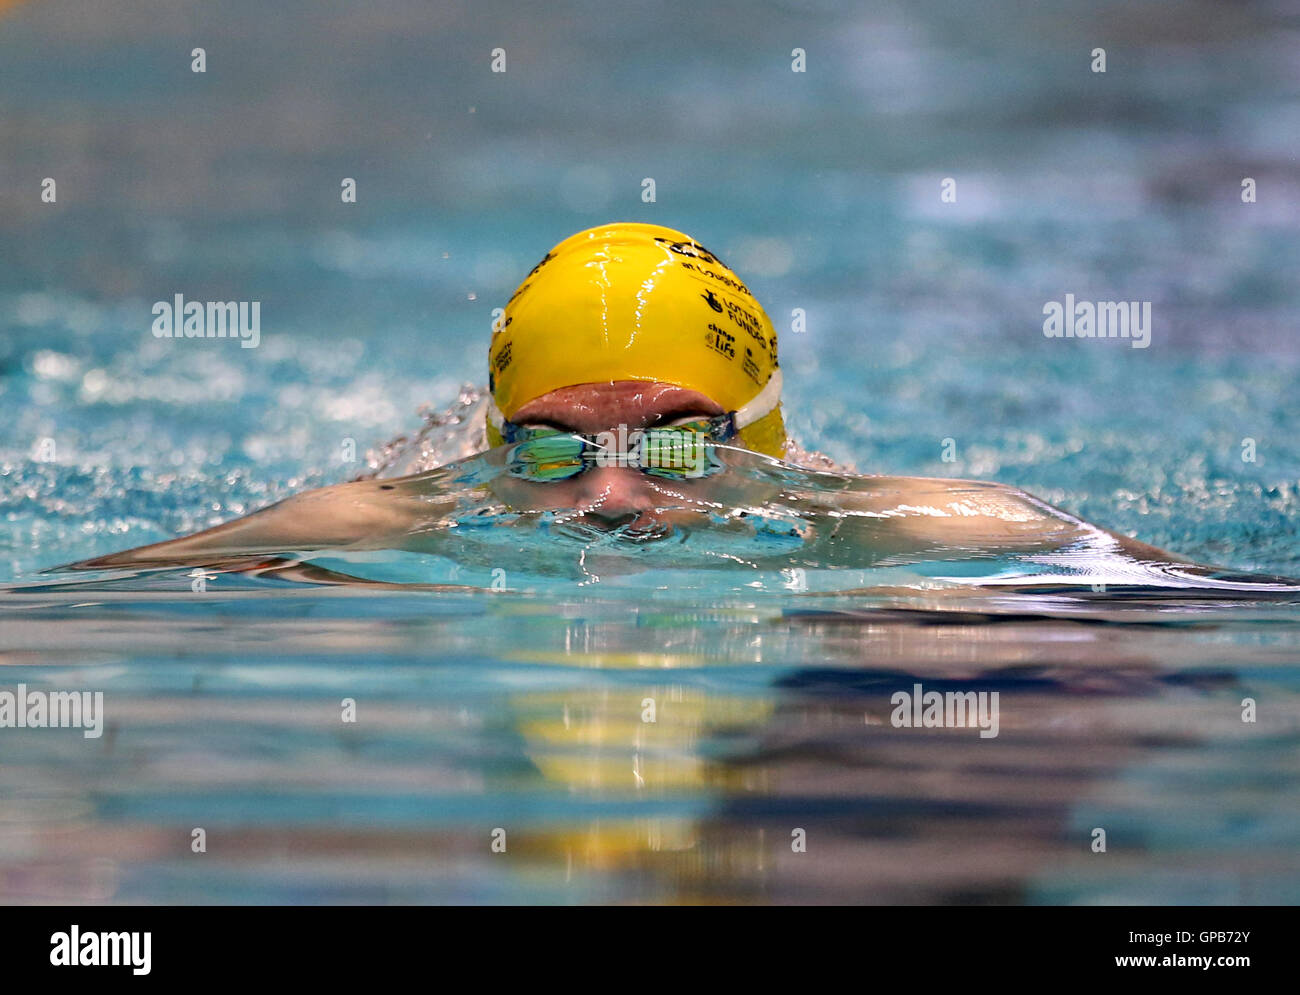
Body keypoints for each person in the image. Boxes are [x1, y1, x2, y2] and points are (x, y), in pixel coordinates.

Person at [70, 222, 1202, 578]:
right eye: (553, 451)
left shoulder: (917, 524)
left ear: (757, 435)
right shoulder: (379, 518)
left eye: (674, 445)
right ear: (495, 442)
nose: (610, 501)